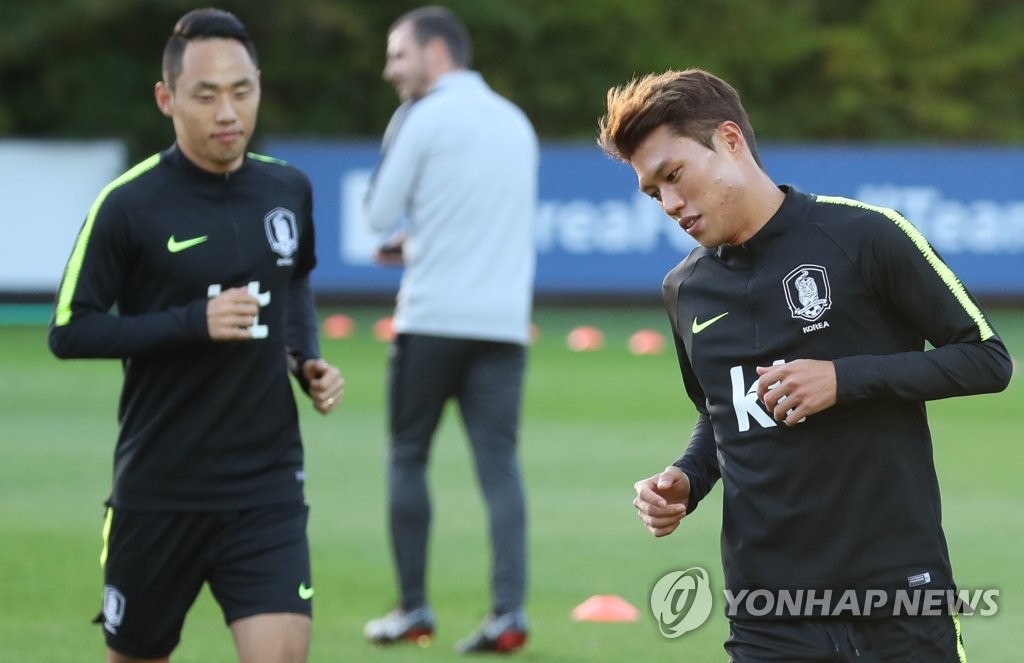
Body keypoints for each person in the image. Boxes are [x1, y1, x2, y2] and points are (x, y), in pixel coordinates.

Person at [598, 69, 1012, 661]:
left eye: (674, 175)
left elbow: (987, 359)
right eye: (652, 192)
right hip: (767, 610)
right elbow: (721, 413)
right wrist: (687, 479)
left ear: (730, 141)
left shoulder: (865, 236)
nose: (669, 204)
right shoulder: (684, 289)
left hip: (896, 593)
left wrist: (843, 379)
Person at [48, 8, 344, 663]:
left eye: (242, 91)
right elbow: (69, 330)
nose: (228, 112)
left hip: (266, 486)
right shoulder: (129, 204)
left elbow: (295, 279)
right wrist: (193, 322)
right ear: (167, 98)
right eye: (206, 96)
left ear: (260, 87)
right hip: (159, 490)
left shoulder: (288, 189)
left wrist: (306, 359)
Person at [361, 5, 538, 655]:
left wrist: (408, 243)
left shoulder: (421, 116)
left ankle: (412, 608)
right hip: (503, 324)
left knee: (408, 455)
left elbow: (378, 213)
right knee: (500, 467)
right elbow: (488, 223)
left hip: (433, 317)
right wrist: (424, 240)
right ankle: (509, 611)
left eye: (398, 55)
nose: (390, 70)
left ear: (435, 53)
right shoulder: (515, 122)